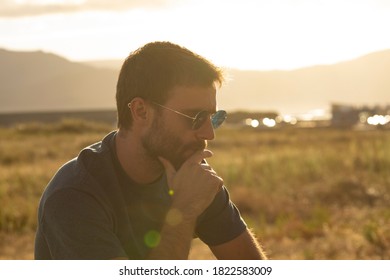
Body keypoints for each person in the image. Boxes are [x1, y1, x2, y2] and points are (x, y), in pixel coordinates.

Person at [34, 41, 267, 260]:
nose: (209, 134)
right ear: (141, 111)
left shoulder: (194, 176)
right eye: (196, 118)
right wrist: (184, 210)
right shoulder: (74, 196)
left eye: (214, 117)